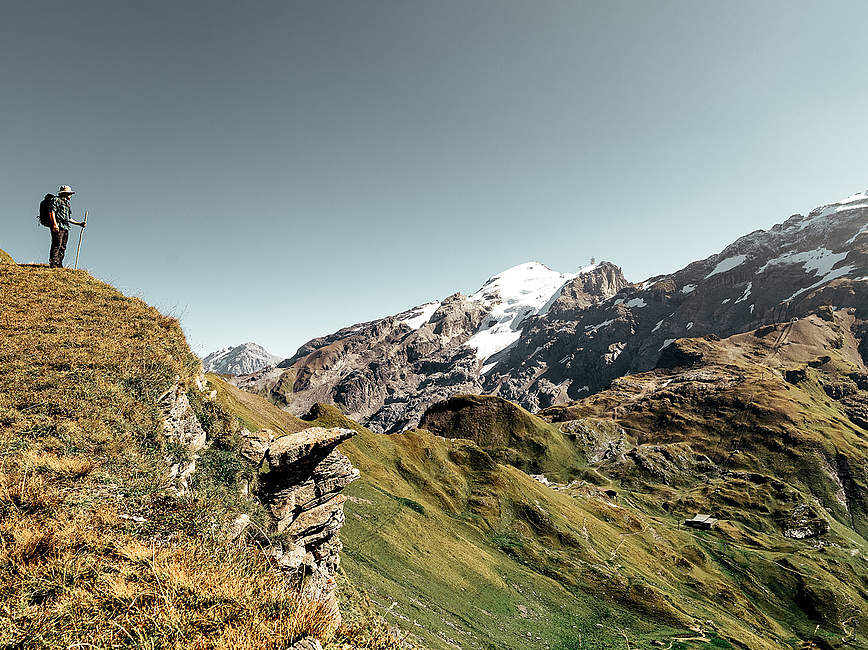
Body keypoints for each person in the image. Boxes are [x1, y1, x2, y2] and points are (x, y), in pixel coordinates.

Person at [48, 185, 86, 268]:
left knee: (63, 246)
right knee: (57, 244)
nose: (71, 196)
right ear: (65, 193)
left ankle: (59, 263)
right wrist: (54, 224)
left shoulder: (67, 204)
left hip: (65, 227)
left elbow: (68, 218)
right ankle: (53, 263)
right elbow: (51, 211)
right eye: (69, 194)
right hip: (58, 226)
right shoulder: (56, 200)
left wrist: (79, 223)